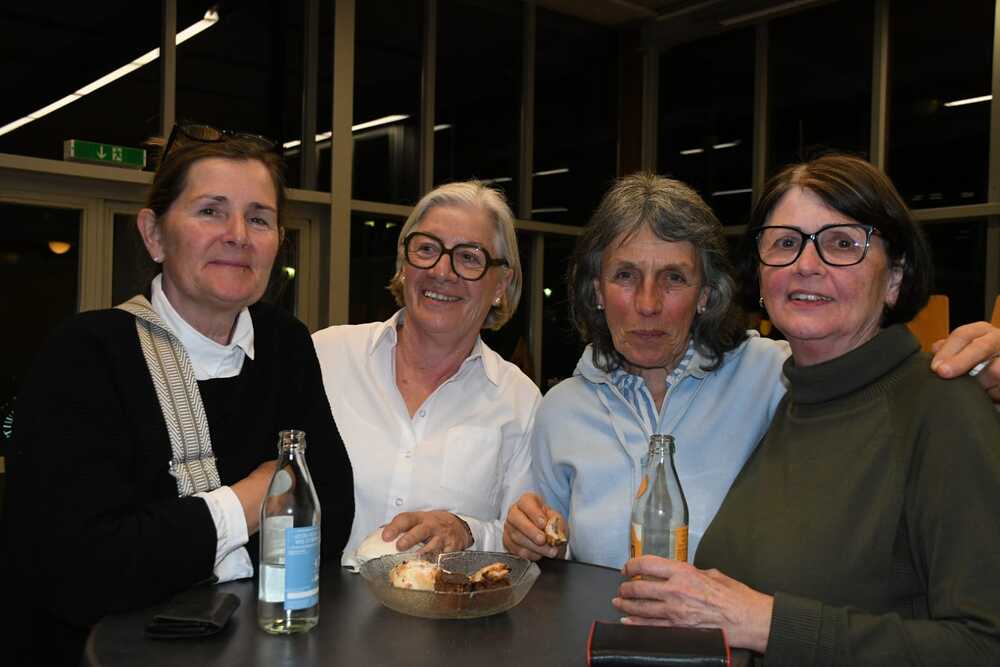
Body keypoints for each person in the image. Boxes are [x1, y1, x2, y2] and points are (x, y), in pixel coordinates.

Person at [503, 172, 1000, 571]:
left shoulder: (779, 376)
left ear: (706, 294)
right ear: (596, 290)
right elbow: (550, 549)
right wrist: (530, 538)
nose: (648, 304)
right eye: (625, 275)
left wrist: (980, 372)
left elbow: (877, 392)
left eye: (674, 277)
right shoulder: (561, 411)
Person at [615, 155, 1000, 665]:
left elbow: (982, 645)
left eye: (841, 243)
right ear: (761, 274)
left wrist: (764, 622)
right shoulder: (791, 404)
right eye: (785, 243)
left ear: (895, 277)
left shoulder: (943, 406)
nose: (806, 264)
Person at [2, 124, 355, 666]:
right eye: (211, 210)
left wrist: (167, 546)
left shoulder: (285, 344)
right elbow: (81, 573)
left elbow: (330, 518)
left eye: (259, 218)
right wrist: (253, 498)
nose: (238, 235)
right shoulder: (87, 354)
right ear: (154, 234)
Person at [312, 181, 539, 565]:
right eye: (427, 249)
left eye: (469, 257)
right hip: (315, 599)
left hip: (447, 604)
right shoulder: (326, 357)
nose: (442, 271)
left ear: (501, 283)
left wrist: (466, 531)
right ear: (404, 264)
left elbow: (522, 539)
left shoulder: (520, 401)